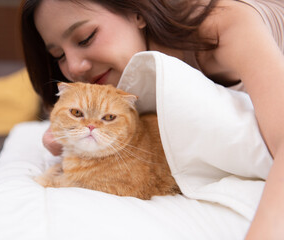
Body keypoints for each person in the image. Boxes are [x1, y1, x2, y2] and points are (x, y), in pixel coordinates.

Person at [20, 0, 284, 239]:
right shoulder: (121, 70)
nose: (75, 67)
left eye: (85, 38)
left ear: (137, 12)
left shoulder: (225, 25)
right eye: (59, 56)